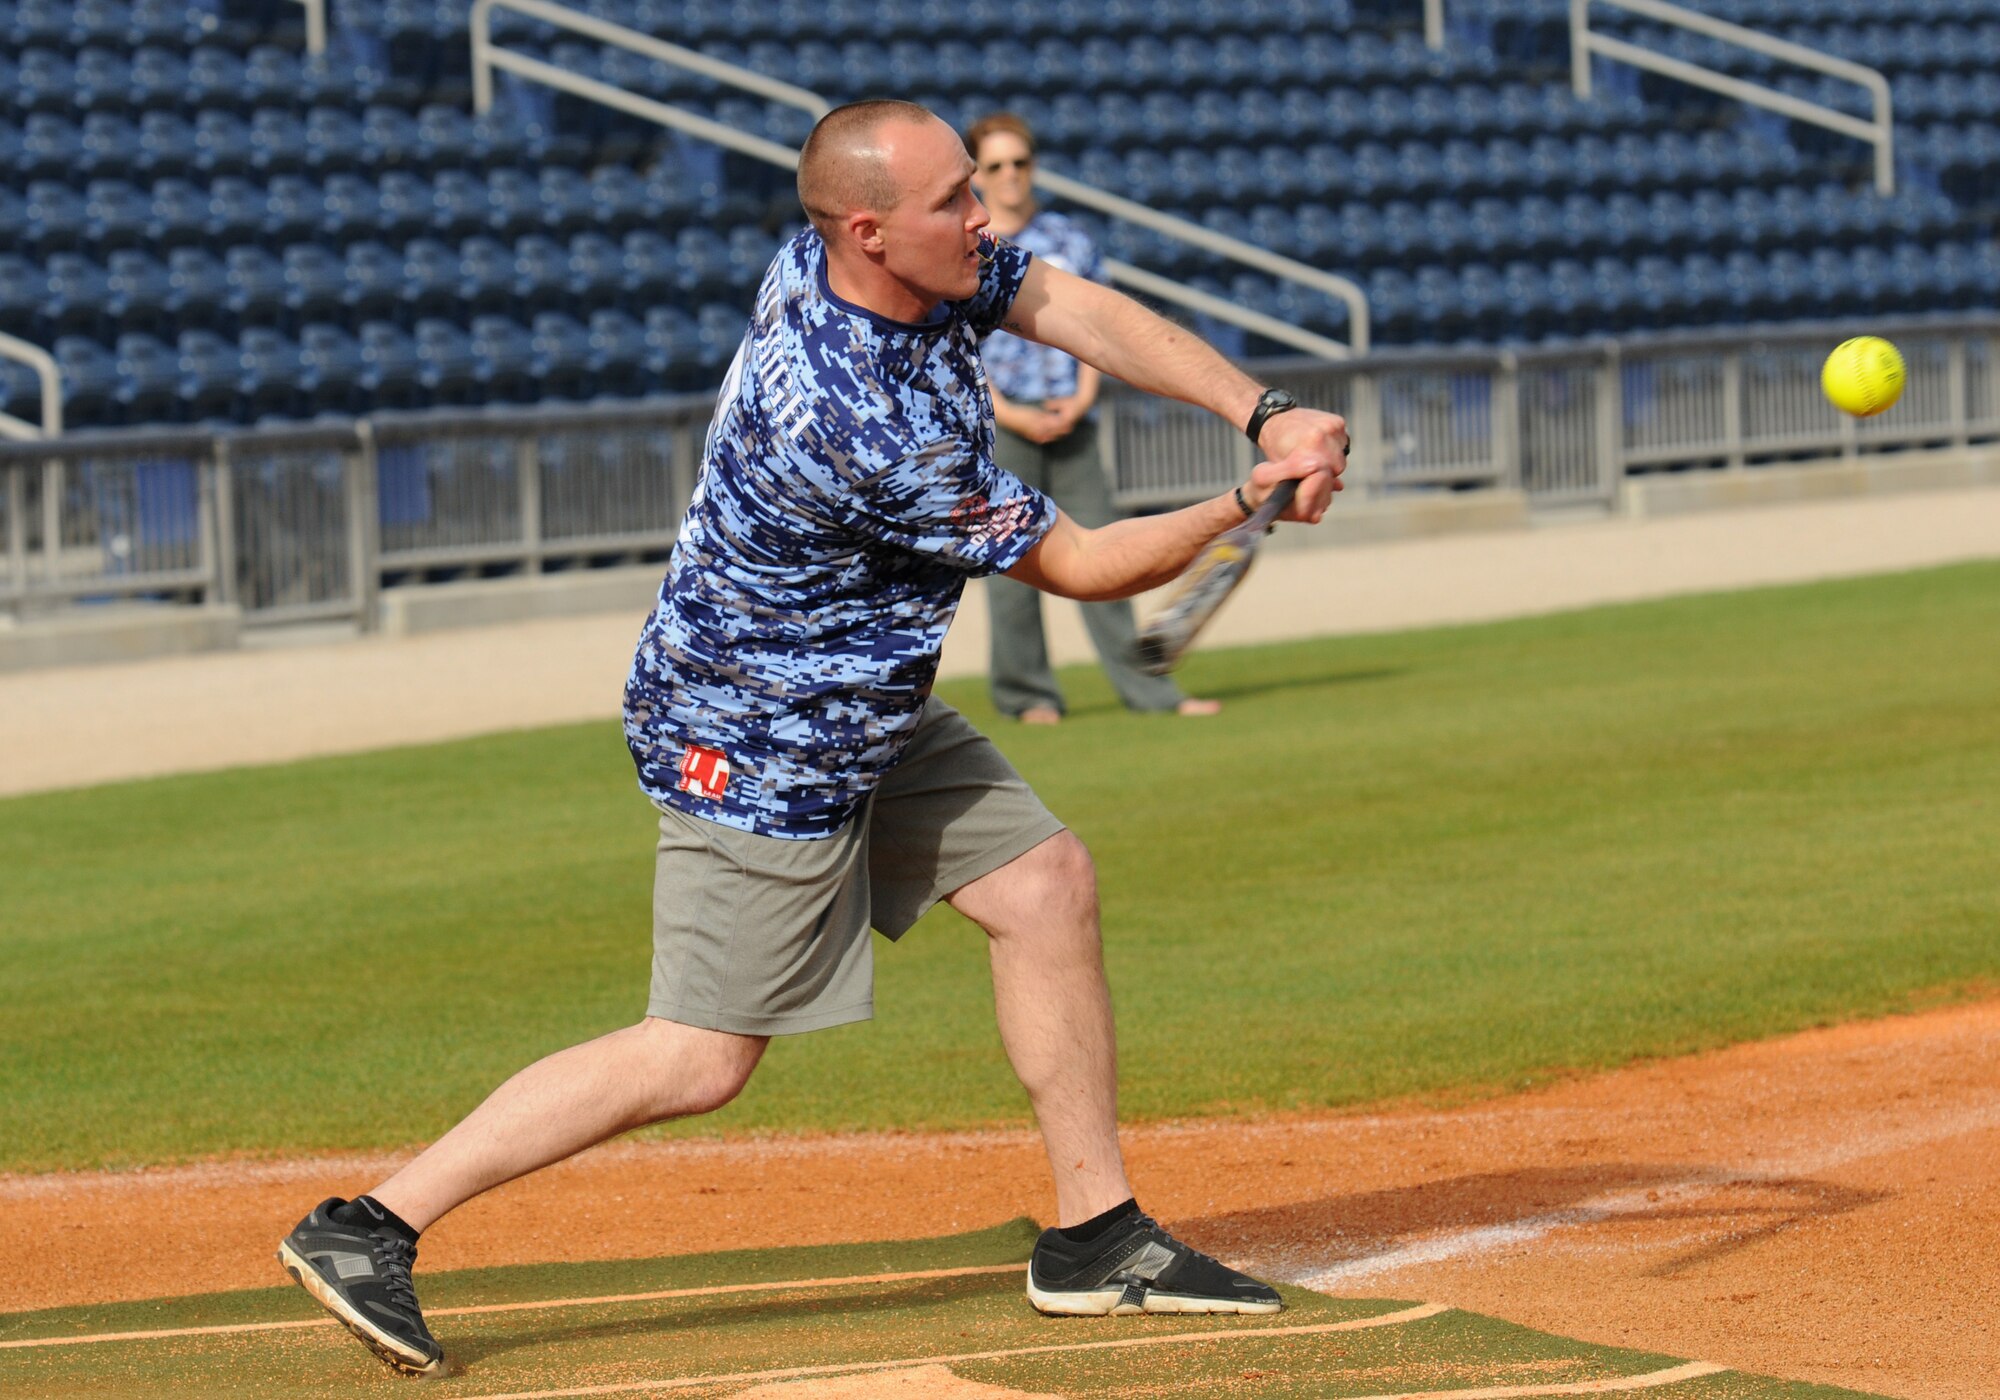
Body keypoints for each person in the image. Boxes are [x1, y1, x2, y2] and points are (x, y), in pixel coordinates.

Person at [277, 99, 1347, 1378]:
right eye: (954, 200)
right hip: (762, 729)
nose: (983, 216)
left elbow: (1069, 308)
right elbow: (1079, 561)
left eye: (973, 188)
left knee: (1044, 884)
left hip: (864, 696)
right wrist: (1246, 497)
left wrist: (1261, 407)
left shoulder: (873, 260)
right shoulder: (850, 414)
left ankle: (1093, 1236)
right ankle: (369, 1223)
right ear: (867, 230)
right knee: (698, 1053)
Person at [966, 112, 1219, 724]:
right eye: (996, 165)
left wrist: (1083, 399)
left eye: (1020, 163)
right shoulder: (964, 245)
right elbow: (957, 348)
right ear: (976, 173)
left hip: (1073, 418)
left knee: (1111, 555)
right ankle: (1028, 696)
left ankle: (1149, 690)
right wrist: (1010, 415)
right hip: (1005, 425)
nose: (1010, 176)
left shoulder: (1070, 239)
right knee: (1014, 567)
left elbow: (1102, 324)